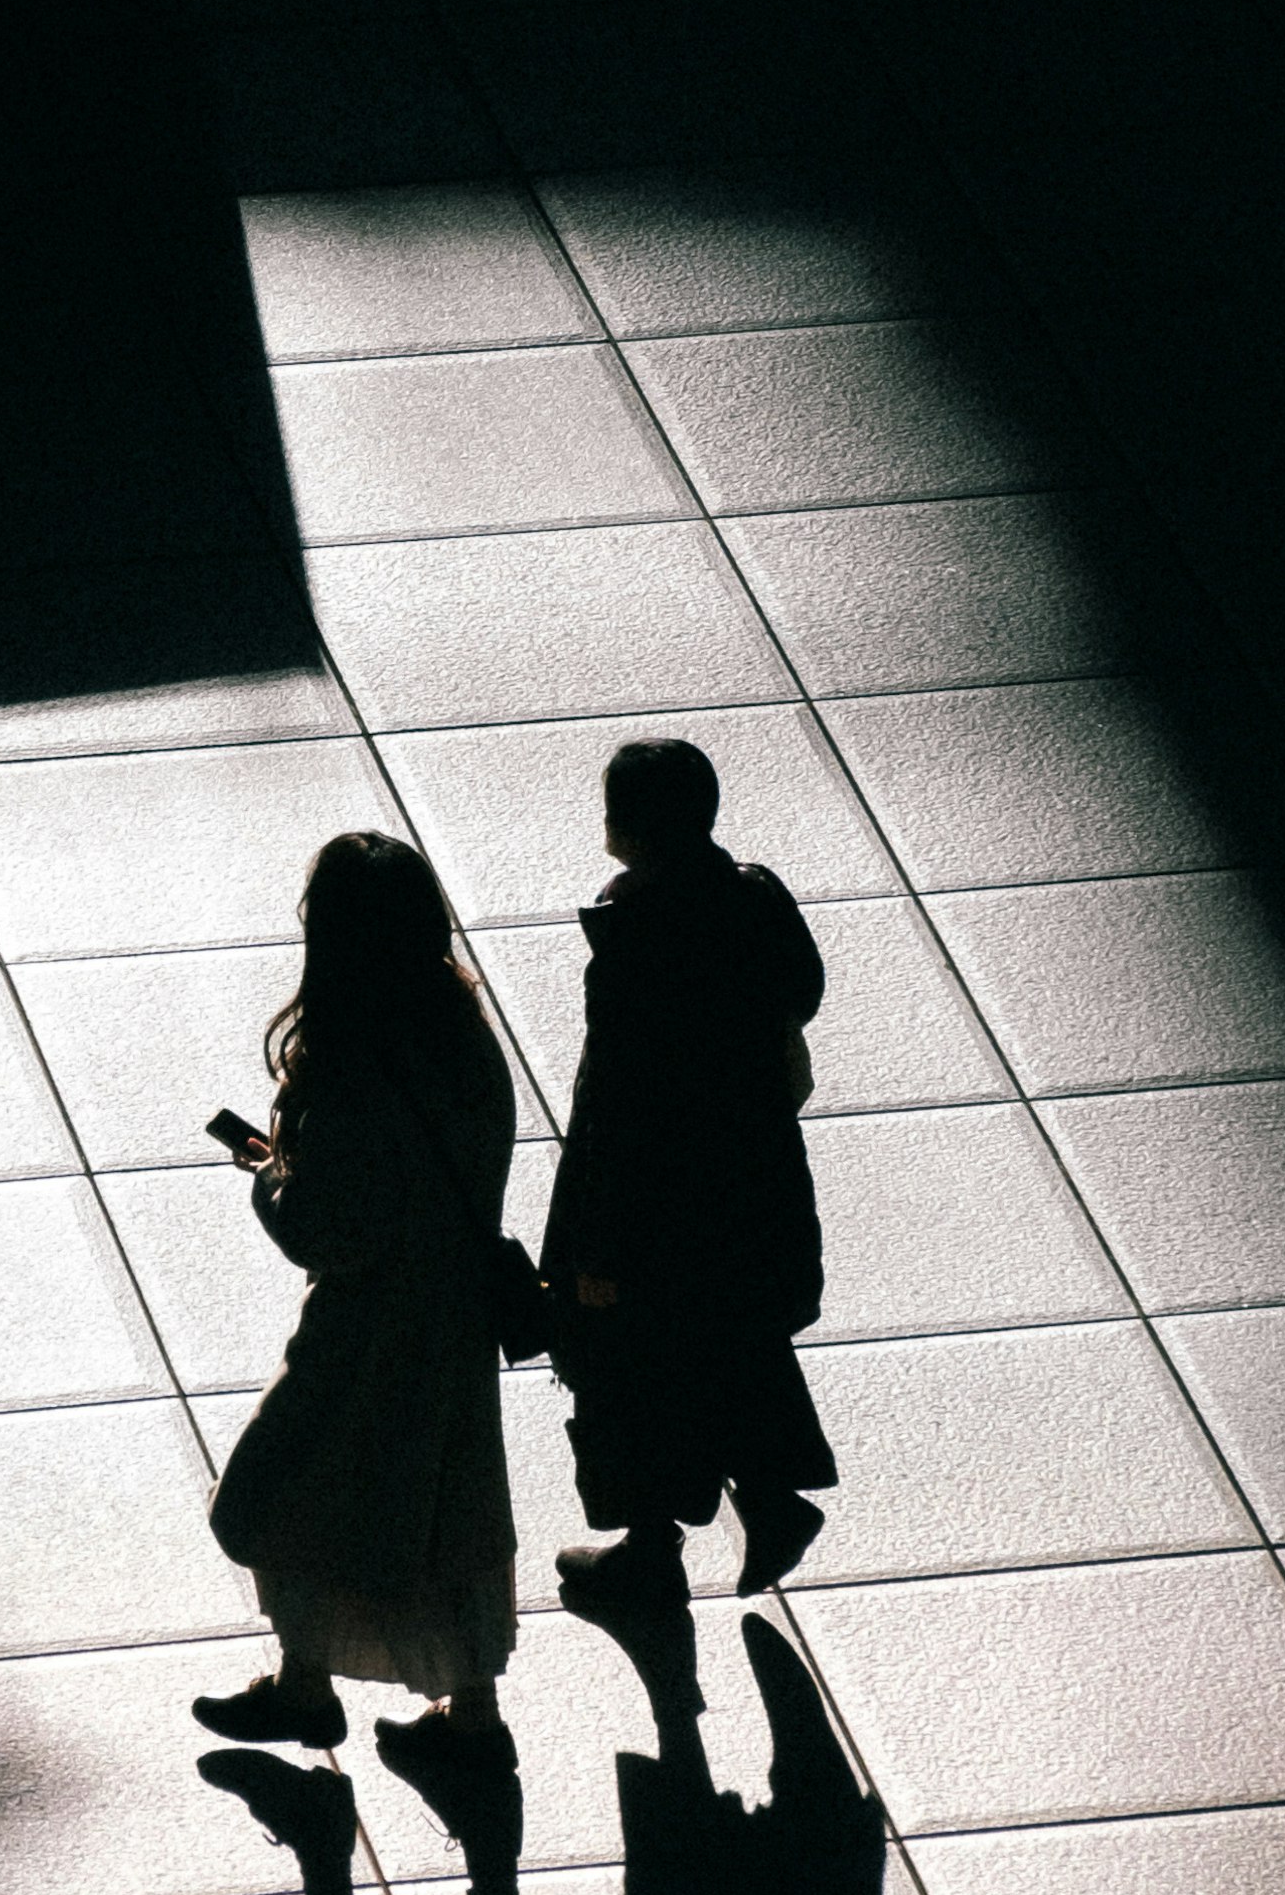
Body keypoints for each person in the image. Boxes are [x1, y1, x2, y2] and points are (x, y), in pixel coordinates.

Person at [198, 831, 520, 1777]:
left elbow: (325, 1232)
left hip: (364, 1331)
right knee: (445, 1511)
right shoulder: (464, 1040)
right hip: (452, 1321)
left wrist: (269, 1175)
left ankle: (305, 1687)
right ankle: (471, 1716)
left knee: (286, 1491)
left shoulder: (344, 1070)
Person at [543, 733, 833, 1617]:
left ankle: (649, 1548)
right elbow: (805, 991)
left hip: (651, 1201)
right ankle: (769, 1501)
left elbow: (618, 1098)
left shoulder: (636, 932)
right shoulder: (752, 897)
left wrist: (591, 1236)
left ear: (627, 823)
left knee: (621, 1365)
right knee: (733, 1339)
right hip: (750, 1181)